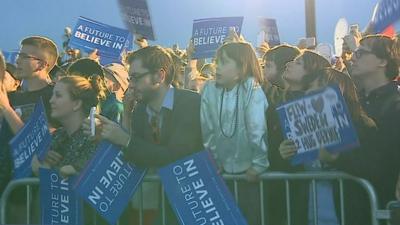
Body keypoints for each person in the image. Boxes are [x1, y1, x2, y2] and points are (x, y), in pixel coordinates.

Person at [82, 45, 204, 225]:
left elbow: (176, 157)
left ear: (159, 76)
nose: (130, 84)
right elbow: (137, 156)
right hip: (152, 210)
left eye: (136, 78)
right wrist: (107, 137)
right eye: (130, 78)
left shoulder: (190, 102)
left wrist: (125, 139)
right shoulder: (139, 111)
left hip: (191, 207)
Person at [200, 42, 269, 225]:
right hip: (222, 175)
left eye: (223, 63)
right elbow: (207, 130)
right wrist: (214, 161)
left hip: (250, 175)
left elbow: (257, 129)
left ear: (241, 68)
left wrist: (258, 164)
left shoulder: (251, 88)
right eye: (216, 62)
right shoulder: (209, 89)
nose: (217, 67)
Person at [274, 50, 331, 225]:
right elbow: (273, 151)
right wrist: (282, 152)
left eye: (298, 63)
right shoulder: (277, 106)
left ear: (312, 73)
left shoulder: (326, 103)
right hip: (295, 196)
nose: (288, 64)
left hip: (327, 198)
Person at [349, 34, 400, 206]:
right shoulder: (354, 103)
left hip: (385, 204)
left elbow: (382, 160)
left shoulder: (395, 105)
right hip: (355, 205)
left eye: (360, 53)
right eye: (354, 52)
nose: (352, 57)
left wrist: (336, 158)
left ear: (383, 61)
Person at [31, 75, 105, 177]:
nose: (51, 100)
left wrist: (36, 165)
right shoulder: (58, 134)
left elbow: (66, 174)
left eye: (58, 95)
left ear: (77, 104)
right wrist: (41, 155)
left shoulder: (92, 138)